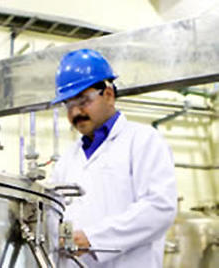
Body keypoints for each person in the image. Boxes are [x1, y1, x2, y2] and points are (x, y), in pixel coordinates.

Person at [50, 49, 177, 267]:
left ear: (108, 95)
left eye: (82, 100)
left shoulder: (144, 140)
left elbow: (159, 208)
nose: (75, 113)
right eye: (68, 105)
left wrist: (93, 238)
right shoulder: (67, 160)